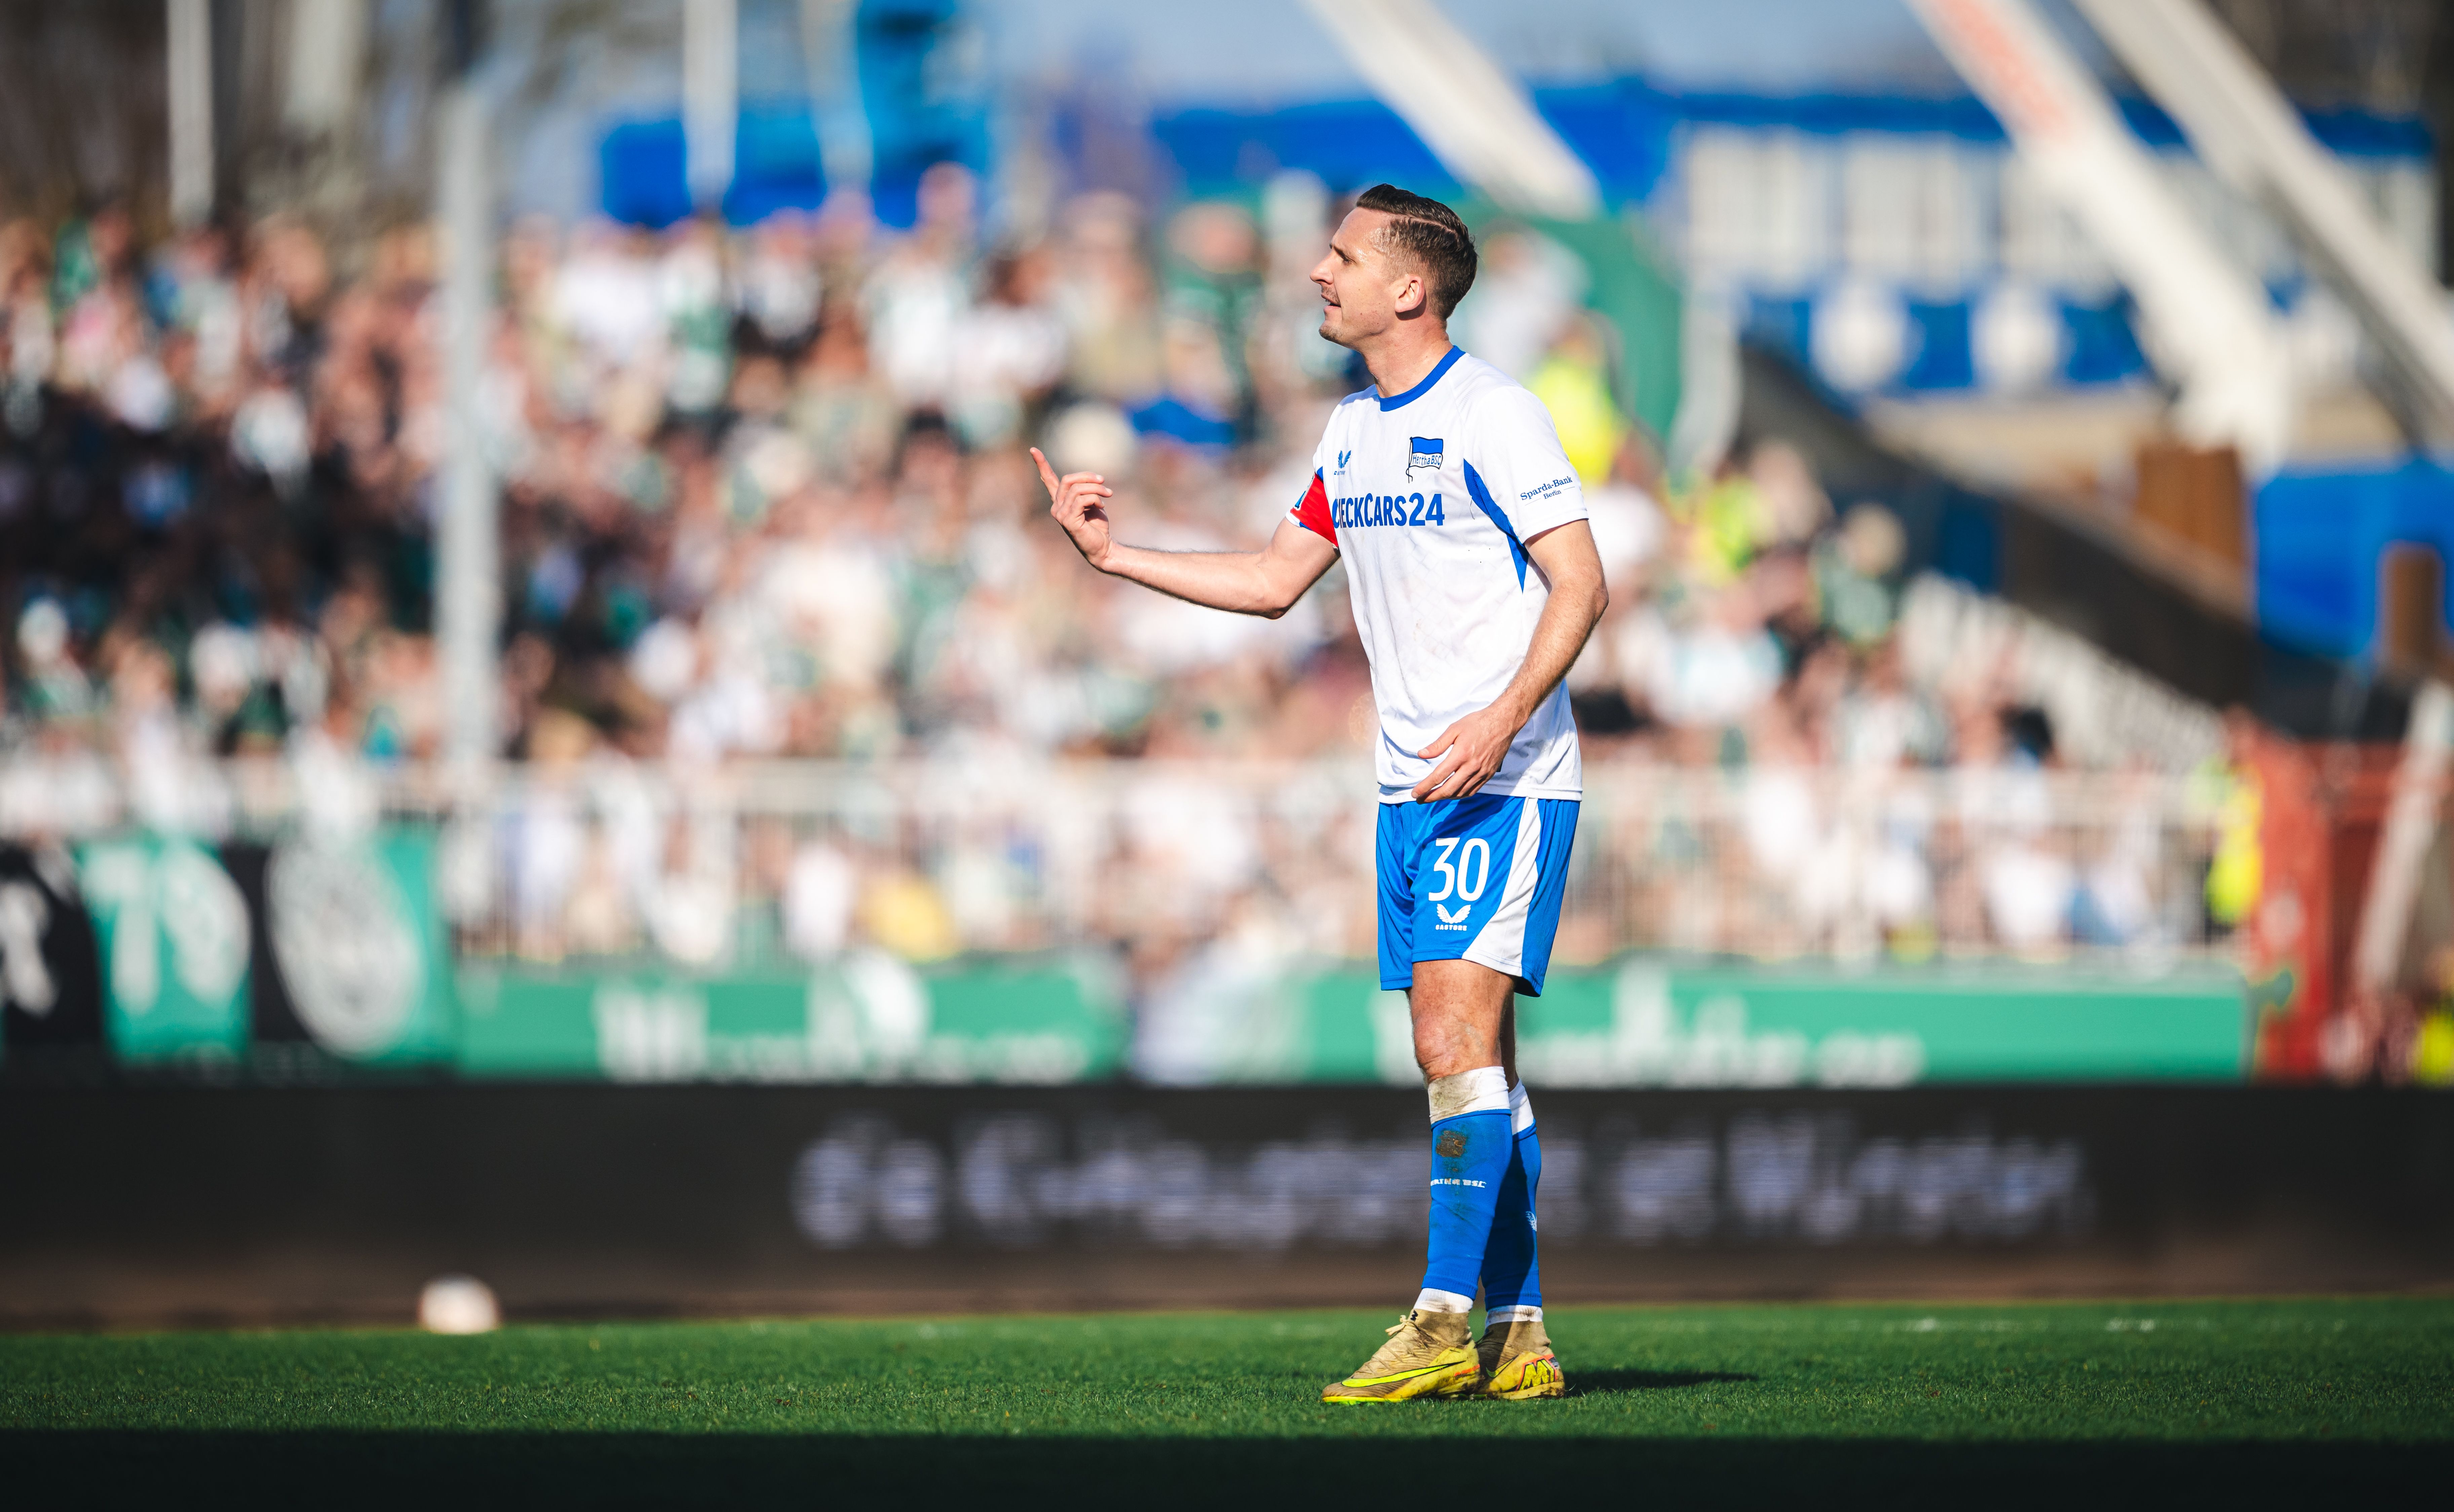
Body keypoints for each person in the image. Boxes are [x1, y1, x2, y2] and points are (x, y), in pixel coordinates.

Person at [1033, 184, 1607, 1402]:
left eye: (1341, 256)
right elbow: (1269, 579)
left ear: (1408, 286)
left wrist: (1501, 719)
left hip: (1503, 779)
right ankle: (1519, 1333)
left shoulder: (1495, 414)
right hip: (1410, 787)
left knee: (1448, 1040)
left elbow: (1581, 583)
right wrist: (1112, 556)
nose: (1316, 273)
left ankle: (1440, 1322)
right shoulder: (1351, 432)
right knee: (1479, 1063)